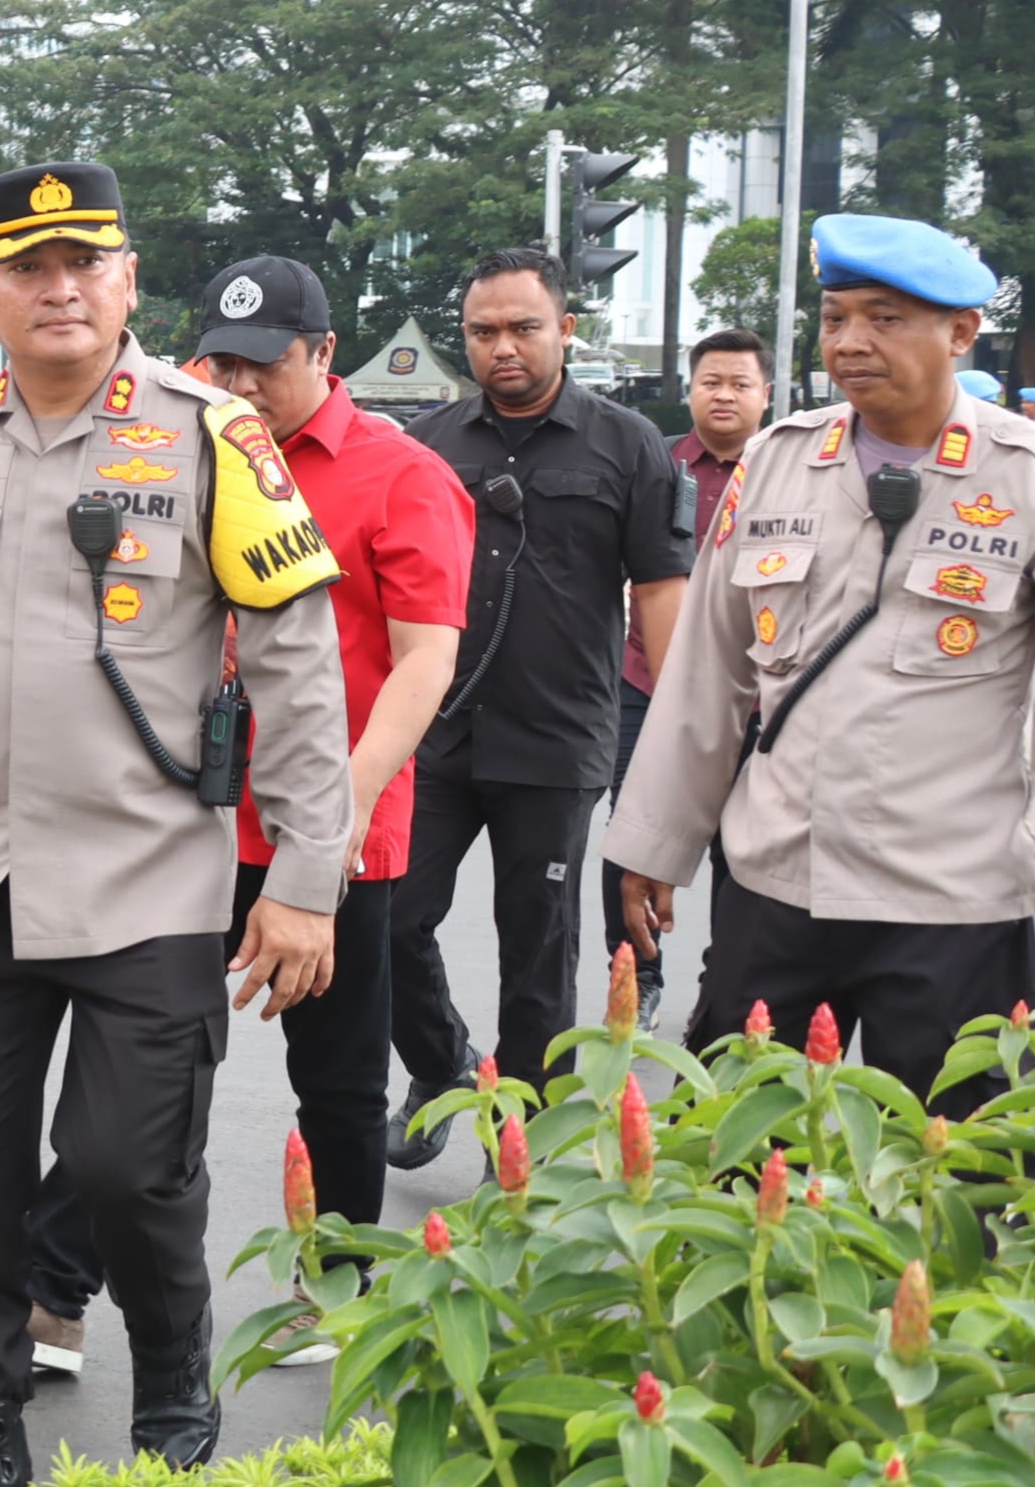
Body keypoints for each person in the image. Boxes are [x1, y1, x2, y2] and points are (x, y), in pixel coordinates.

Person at [0, 165, 355, 1487]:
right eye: (29, 267)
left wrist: (302, 879)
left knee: (129, 1166)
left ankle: (171, 1355)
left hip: (149, 885)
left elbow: (297, 668)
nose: (58, 289)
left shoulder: (213, 438)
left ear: (127, 282)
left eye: (85, 264)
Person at [19, 255, 472, 1376]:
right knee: (143, 1066)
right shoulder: (167, 449)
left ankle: (336, 1283)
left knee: (337, 1077)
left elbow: (421, 668)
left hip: (335, 837)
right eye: (216, 360)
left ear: (323, 355)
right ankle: (52, 1296)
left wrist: (327, 824)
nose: (236, 382)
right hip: (183, 823)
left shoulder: (400, 476)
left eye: (261, 364)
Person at [610, 215, 1035, 1106]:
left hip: (953, 900)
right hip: (778, 884)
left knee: (946, 1177)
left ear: (960, 333)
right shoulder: (780, 461)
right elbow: (708, 670)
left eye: (883, 319)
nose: (848, 343)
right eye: (835, 317)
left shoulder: (1020, 477)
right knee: (734, 1171)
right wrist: (654, 843)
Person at [383, 249, 691, 1169]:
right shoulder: (429, 442)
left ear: (565, 327)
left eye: (522, 327)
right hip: (436, 731)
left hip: (556, 741)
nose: (502, 347)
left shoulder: (628, 443)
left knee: (537, 959)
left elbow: (662, 598)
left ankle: (522, 1148)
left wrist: (669, 761)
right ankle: (442, 1069)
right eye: (482, 332)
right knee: (387, 920)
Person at [593, 329, 766, 1021]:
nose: (723, 394)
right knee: (630, 831)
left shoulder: (790, 472)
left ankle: (722, 987)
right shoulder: (654, 464)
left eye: (739, 384)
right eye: (710, 382)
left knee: (741, 846)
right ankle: (635, 974)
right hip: (643, 684)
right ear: (689, 389)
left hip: (753, 692)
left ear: (764, 395)